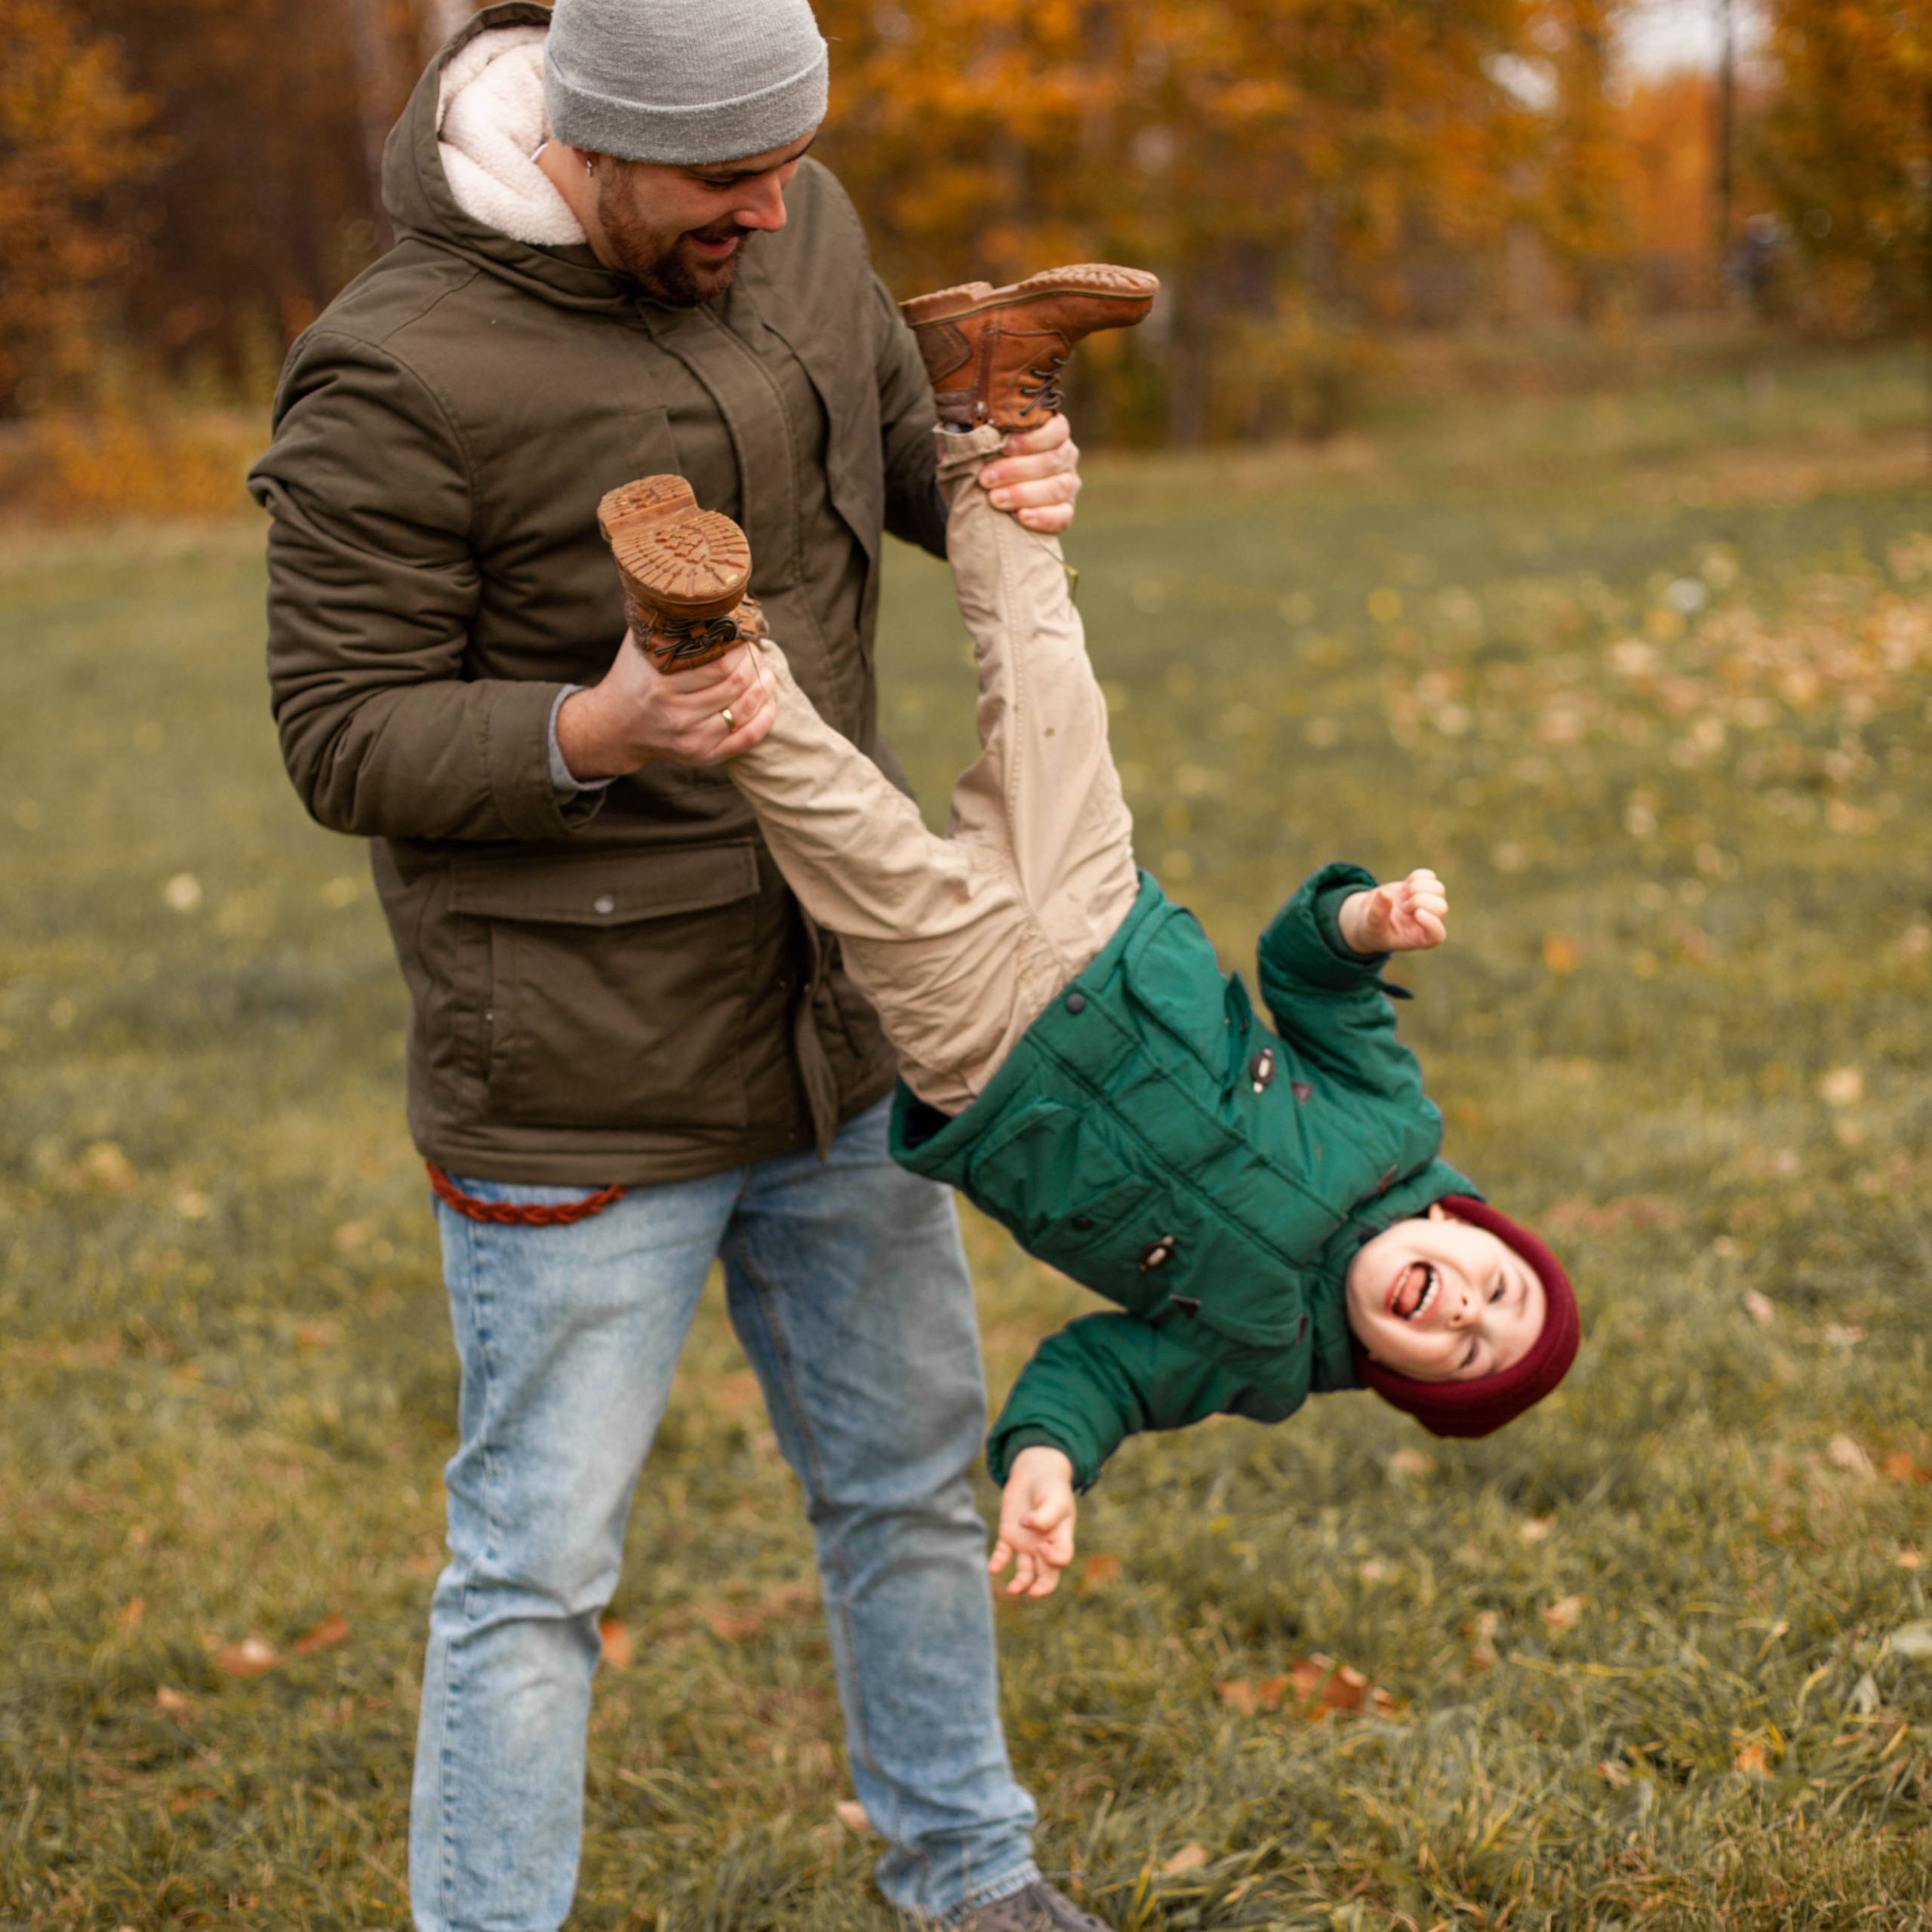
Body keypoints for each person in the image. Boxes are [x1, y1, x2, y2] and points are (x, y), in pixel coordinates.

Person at [248, 3, 1107, 1930]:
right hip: (579, 1077)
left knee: (908, 1482)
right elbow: (338, 732)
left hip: (841, 1017)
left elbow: (895, 460)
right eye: (729, 179)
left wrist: (1004, 465)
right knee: (535, 1572)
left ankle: (971, 1874)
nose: (776, 211)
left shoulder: (791, 227)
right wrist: (594, 727)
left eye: (791, 165)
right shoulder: (392, 369)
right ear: (595, 138)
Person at [642, 267, 1583, 1604]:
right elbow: (1310, 981)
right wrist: (1363, 920)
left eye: (1473, 1351)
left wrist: (1046, 1462)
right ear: (1473, 1225)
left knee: (848, 835)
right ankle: (982, 405)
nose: (1471, 1311)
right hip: (1109, 924)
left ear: (1404, 1380)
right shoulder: (1393, 1128)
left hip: (991, 1055)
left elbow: (1099, 1371)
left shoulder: (1253, 1360)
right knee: (1049, 681)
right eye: (1503, 1288)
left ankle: (705, 642)